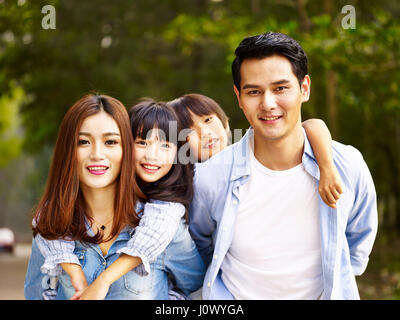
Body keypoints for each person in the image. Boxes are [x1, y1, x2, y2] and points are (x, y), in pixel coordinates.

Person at [189, 32, 378, 300]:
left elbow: (357, 244)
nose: (267, 103)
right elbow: (201, 247)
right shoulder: (212, 176)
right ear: (239, 97)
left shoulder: (346, 165)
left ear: (305, 88)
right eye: (254, 91)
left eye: (280, 88)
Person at [24, 94, 205, 300]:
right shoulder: (54, 226)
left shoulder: (162, 224)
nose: (97, 154)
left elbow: (198, 288)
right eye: (83, 141)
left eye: (110, 141)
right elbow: (38, 293)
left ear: (125, 148)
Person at [169, 92, 342, 208]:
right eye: (189, 130)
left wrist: (326, 167)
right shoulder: (190, 184)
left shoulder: (251, 153)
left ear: (225, 123)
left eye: (208, 120)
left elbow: (312, 125)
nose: (204, 133)